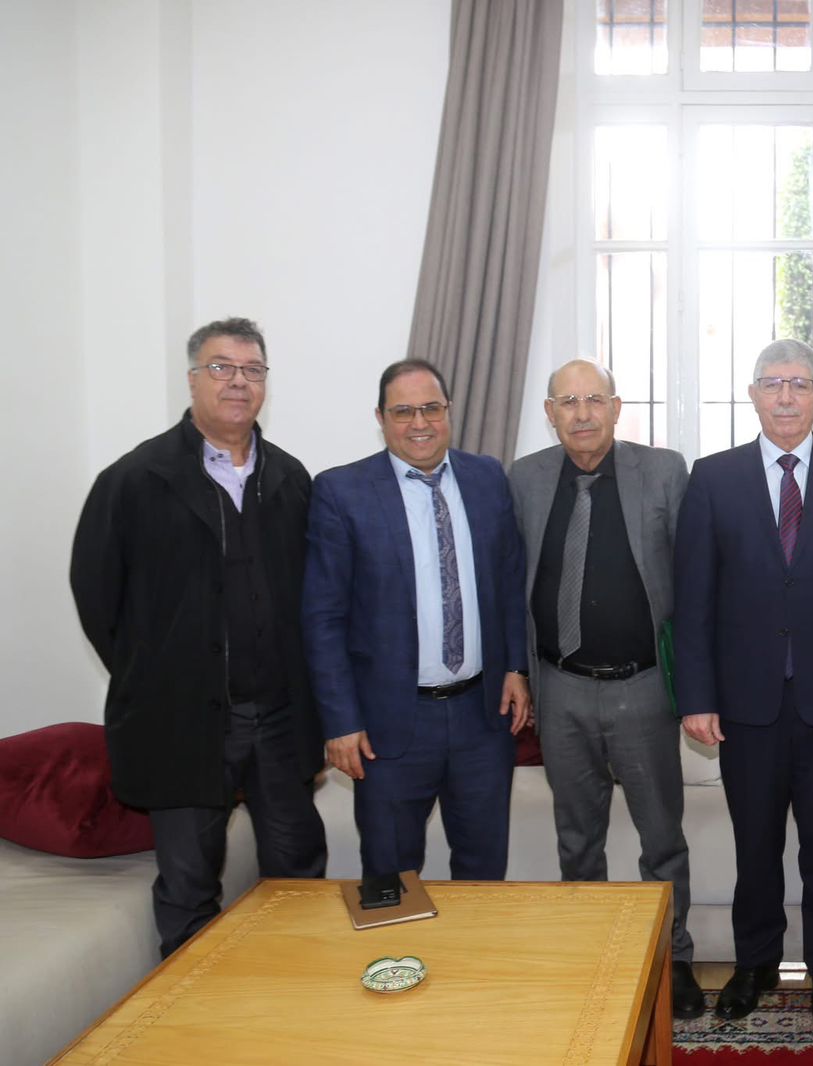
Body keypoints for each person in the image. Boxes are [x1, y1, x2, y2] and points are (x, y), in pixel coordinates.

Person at [70, 317, 327, 957]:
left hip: (280, 718)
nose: (238, 381)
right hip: (182, 720)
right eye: (221, 367)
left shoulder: (291, 478)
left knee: (298, 872)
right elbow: (97, 597)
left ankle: (296, 995)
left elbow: (315, 598)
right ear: (192, 380)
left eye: (252, 369)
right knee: (189, 888)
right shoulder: (134, 479)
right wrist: (157, 672)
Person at [673, 339, 813, 1027]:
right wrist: (697, 698)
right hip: (746, 705)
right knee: (756, 846)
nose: (786, 397)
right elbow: (692, 602)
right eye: (773, 384)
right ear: (753, 395)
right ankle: (755, 965)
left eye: (800, 384)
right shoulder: (713, 478)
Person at [508, 358, 703, 1019]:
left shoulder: (664, 472)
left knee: (661, 838)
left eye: (595, 400)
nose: (583, 413)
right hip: (560, 688)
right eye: (569, 402)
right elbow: (510, 582)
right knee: (576, 838)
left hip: (642, 687)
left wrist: (697, 684)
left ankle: (674, 959)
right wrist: (516, 670)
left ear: (617, 408)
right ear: (550, 413)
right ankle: (588, 952)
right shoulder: (525, 479)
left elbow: (694, 584)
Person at [302, 359, 531, 881]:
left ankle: (472, 943)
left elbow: (509, 583)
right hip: (389, 724)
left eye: (431, 408)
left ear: (449, 411)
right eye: (403, 412)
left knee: (483, 878)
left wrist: (516, 667)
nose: (419, 423)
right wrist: (340, 721)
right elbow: (322, 618)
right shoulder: (341, 492)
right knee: (392, 881)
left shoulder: (487, 478)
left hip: (481, 718)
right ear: (380, 418)